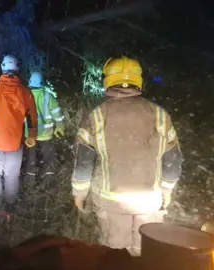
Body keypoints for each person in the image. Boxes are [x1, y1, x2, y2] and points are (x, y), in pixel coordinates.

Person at [70, 56, 183, 256]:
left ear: (108, 80)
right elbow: (172, 160)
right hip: (149, 201)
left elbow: (84, 161)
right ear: (138, 80)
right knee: (145, 253)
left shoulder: (97, 116)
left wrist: (79, 194)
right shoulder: (159, 115)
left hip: (111, 202)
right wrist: (167, 190)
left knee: (114, 255)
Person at [0, 54, 38, 219]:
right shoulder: (25, 92)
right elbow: (32, 115)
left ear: (2, 68)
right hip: (15, 142)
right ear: (17, 69)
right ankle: (10, 207)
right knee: (12, 175)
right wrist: (32, 135)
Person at [24, 71, 65, 184]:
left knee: (31, 159)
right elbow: (57, 114)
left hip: (30, 136)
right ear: (42, 83)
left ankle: (30, 183)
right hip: (46, 134)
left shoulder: (25, 96)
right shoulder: (48, 96)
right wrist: (60, 127)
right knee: (48, 158)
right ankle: (48, 182)